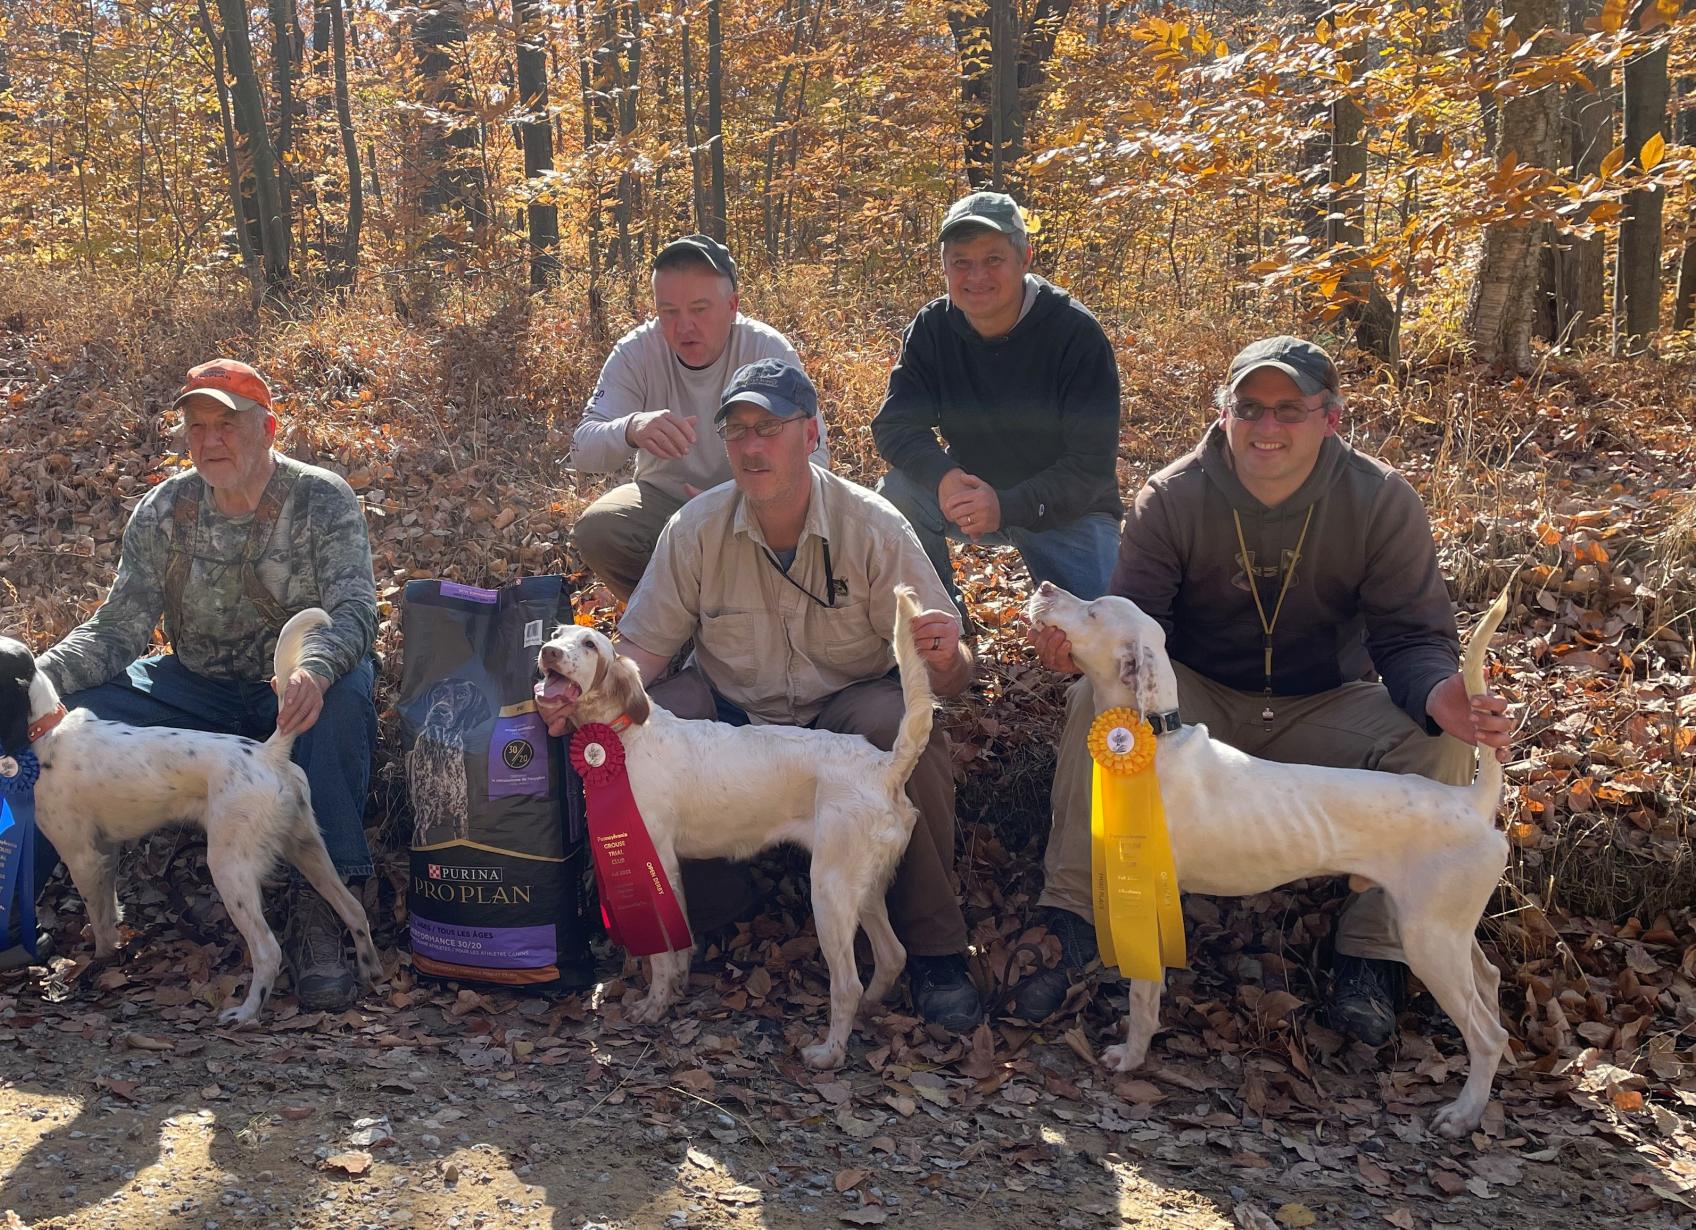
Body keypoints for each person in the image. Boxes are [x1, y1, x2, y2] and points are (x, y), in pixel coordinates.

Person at [1014, 336, 1514, 1041]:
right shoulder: (1174, 496)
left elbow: (1410, 636)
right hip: (1199, 703)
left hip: (1325, 704)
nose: (1266, 426)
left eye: (1289, 409)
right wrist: (1081, 656)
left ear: (1330, 418)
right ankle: (1073, 913)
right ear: (1224, 414)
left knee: (1437, 741)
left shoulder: (1380, 500)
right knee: (1094, 715)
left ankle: (1375, 954)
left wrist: (1439, 693)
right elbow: (1136, 624)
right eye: (1248, 408)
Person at [0, 359, 382, 1011]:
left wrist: (315, 668)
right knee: (52, 729)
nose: (209, 441)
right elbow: (117, 628)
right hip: (190, 686)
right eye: (196, 427)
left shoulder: (321, 499)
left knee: (344, 698)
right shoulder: (165, 509)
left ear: (267, 429)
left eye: (226, 424)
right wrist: (32, 683)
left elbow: (354, 609)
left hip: (288, 688)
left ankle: (325, 923)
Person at [540, 357, 986, 1032]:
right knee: (656, 720)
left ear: (810, 434)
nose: (752, 447)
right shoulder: (694, 527)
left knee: (903, 729)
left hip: (844, 705)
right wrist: (578, 696)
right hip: (733, 706)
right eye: (737, 430)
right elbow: (641, 655)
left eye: (769, 428)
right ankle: (706, 915)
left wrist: (948, 656)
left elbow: (950, 677)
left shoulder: (876, 527)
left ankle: (935, 951)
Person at [872, 190, 1123, 614]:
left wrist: (1007, 506)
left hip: (1067, 511)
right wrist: (944, 477)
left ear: (1025, 259)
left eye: (993, 259)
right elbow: (895, 425)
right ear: (944, 267)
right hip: (971, 493)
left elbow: (1091, 466)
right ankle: (939, 619)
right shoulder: (933, 328)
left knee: (1104, 628)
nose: (977, 276)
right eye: (961, 262)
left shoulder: (1075, 334)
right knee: (897, 493)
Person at [570, 235, 827, 600]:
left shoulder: (765, 349)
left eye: (700, 309)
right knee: (600, 528)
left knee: (811, 517)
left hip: (754, 504)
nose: (684, 326)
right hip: (666, 503)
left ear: (732, 305)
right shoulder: (636, 352)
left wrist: (745, 500)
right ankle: (669, 620)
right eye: (669, 312)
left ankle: (758, 612)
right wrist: (632, 427)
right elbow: (582, 448)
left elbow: (816, 454)